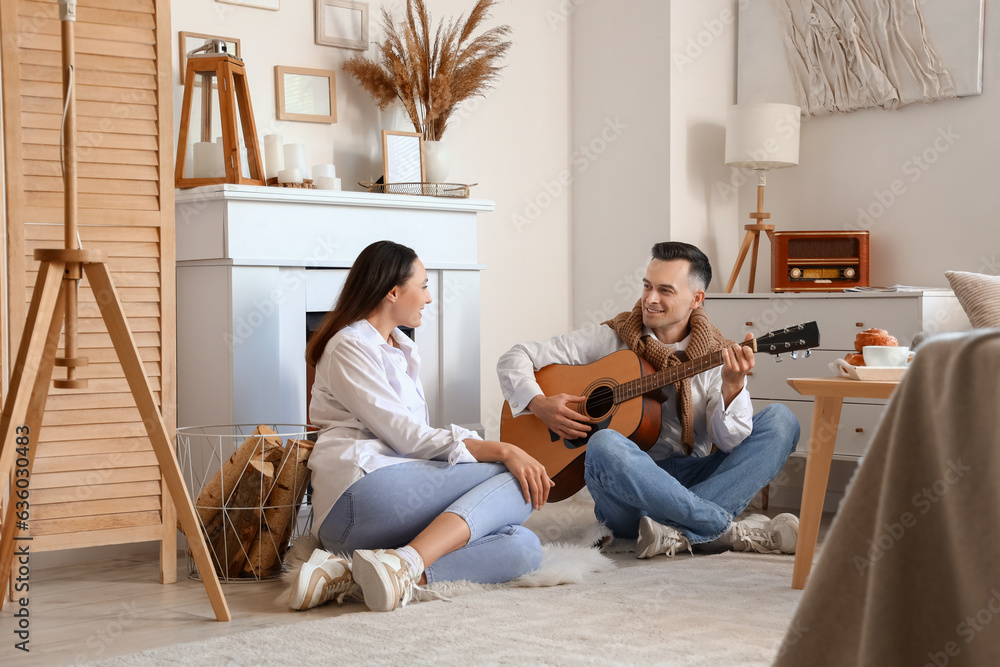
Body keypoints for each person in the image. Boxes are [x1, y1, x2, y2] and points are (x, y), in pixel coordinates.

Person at [292, 240, 552, 613]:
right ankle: (408, 562)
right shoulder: (348, 347)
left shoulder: (399, 349)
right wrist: (503, 449)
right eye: (425, 285)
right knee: (513, 477)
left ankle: (357, 575)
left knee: (524, 546)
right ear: (393, 291)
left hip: (392, 498)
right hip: (358, 497)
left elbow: (415, 442)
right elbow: (406, 436)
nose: (429, 299)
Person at [496, 242, 801, 559]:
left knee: (782, 420)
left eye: (665, 290)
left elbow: (729, 442)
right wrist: (539, 404)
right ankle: (721, 528)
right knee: (604, 444)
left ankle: (675, 532)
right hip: (626, 492)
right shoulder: (614, 337)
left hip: (693, 475)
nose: (650, 300)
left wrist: (733, 385)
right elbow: (515, 357)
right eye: (647, 286)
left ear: (696, 299)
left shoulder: (716, 355)